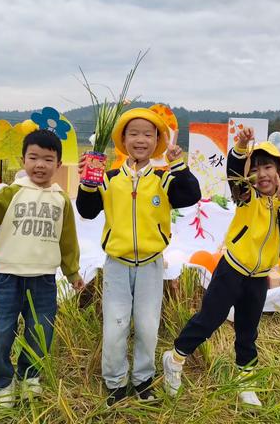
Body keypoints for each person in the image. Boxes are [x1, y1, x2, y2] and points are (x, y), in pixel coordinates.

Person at [162, 127, 280, 406]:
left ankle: (245, 380)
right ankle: (175, 358)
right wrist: (240, 146)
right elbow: (234, 169)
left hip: (258, 278)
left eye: (269, 168)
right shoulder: (245, 194)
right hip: (232, 269)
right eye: (257, 168)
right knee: (209, 319)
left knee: (248, 330)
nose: (262, 174)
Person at [76, 107, 201, 405]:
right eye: (133, 133)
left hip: (150, 265)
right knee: (115, 325)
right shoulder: (109, 179)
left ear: (157, 140)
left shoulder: (162, 179)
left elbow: (191, 195)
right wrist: (88, 180)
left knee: (147, 326)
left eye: (148, 134)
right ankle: (116, 383)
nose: (140, 139)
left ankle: (143, 379)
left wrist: (178, 165)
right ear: (122, 139)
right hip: (117, 265)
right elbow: (87, 210)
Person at [0, 129, 84, 408]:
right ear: (23, 160)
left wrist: (72, 272)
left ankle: (30, 376)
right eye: (33, 157)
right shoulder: (13, 193)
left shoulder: (60, 199)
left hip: (44, 280)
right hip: (8, 277)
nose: (40, 165)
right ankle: (0, 380)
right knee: (1, 330)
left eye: (48, 159)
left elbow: (68, 239)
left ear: (58, 165)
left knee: (40, 331)